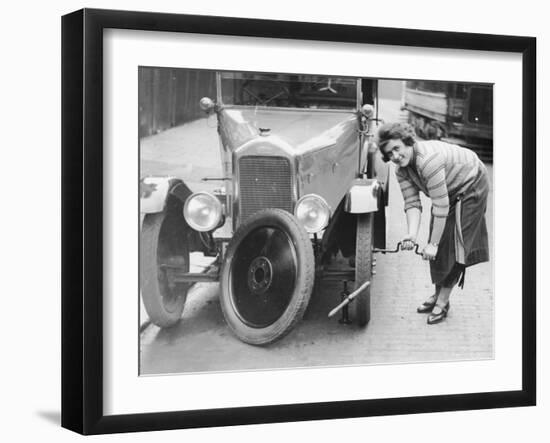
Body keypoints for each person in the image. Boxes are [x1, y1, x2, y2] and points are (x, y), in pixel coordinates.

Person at [376, 122, 490, 324]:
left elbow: (440, 206)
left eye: (397, 148)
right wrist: (411, 234)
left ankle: (443, 301)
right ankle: (437, 294)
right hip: (448, 193)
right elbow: (412, 204)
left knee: (453, 246)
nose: (394, 156)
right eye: (389, 153)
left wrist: (434, 244)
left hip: (471, 185)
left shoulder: (428, 161)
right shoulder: (401, 170)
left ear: (407, 142)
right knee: (435, 240)